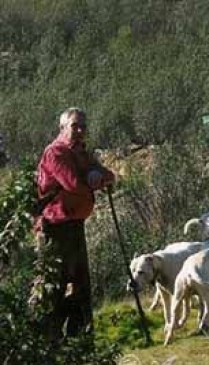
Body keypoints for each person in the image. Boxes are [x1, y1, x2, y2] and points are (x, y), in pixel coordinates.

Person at [35, 107, 115, 342]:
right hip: (54, 227)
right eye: (75, 126)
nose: (80, 130)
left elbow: (108, 174)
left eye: (83, 127)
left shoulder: (80, 152)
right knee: (55, 285)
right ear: (62, 128)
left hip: (73, 224)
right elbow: (73, 185)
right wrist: (95, 179)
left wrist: (98, 174)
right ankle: (50, 339)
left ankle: (78, 338)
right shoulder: (55, 153)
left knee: (80, 283)